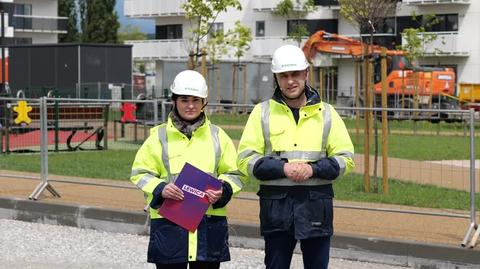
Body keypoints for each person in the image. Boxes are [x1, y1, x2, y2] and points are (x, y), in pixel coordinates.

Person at [237, 44, 355, 269]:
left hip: (315, 206)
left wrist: (313, 169)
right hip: (276, 210)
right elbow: (245, 158)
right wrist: (283, 169)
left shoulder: (327, 114)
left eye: (295, 74)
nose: (290, 81)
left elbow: (345, 158)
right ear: (276, 78)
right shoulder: (262, 113)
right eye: (284, 76)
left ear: (306, 74)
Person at [130, 70, 243, 269]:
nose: (190, 105)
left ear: (204, 102)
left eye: (196, 100)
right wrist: (160, 188)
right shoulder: (158, 137)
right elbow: (140, 172)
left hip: (209, 226)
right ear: (174, 101)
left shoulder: (218, 136)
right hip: (169, 227)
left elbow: (235, 173)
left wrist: (223, 189)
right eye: (184, 100)